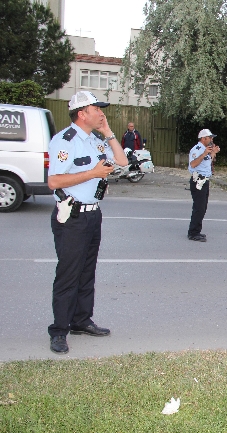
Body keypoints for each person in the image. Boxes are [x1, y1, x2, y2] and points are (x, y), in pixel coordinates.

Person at [47, 90, 129, 354]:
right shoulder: (65, 140)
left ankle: (81, 321)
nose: (101, 113)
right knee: (68, 274)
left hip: (93, 214)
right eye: (97, 109)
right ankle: (59, 330)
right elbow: (54, 182)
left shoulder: (95, 140)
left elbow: (122, 161)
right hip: (72, 216)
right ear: (82, 114)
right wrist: (92, 173)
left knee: (87, 272)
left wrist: (109, 133)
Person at [188, 129, 220, 242]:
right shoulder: (197, 149)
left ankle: (197, 230)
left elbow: (207, 162)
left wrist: (213, 153)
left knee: (203, 207)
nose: (211, 140)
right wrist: (205, 153)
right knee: (199, 207)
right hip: (198, 181)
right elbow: (193, 164)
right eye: (209, 137)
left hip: (204, 180)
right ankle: (193, 233)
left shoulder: (206, 149)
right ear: (203, 138)